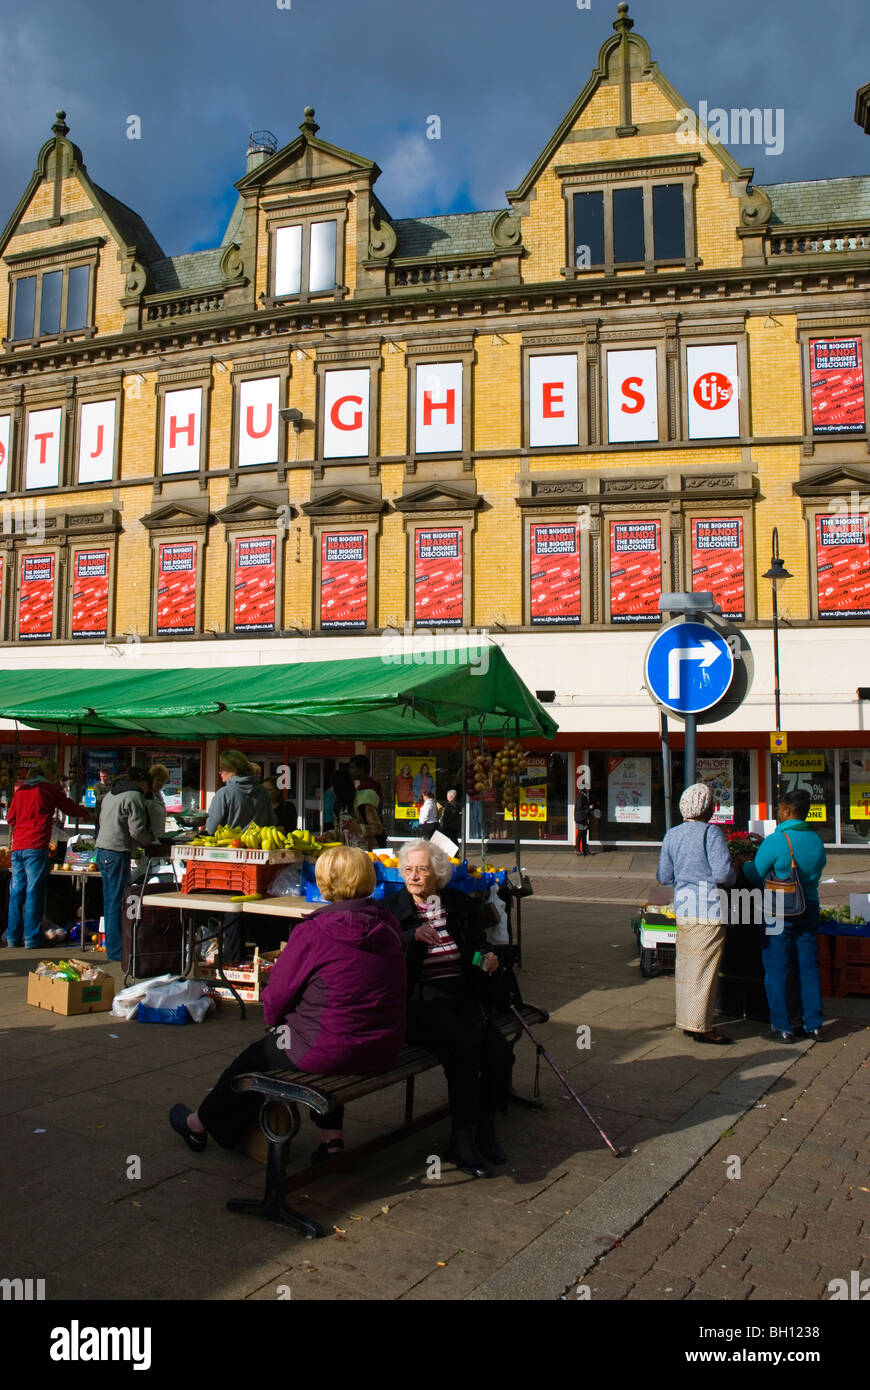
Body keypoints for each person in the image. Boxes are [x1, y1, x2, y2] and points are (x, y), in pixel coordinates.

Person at [168, 846, 406, 1162]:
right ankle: (331, 1138)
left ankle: (199, 1123)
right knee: (332, 1023)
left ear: (324, 884)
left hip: (331, 1050)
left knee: (256, 1058)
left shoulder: (314, 931)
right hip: (383, 1046)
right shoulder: (388, 924)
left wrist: (275, 1021)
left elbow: (277, 994)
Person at [391, 840, 514, 1178]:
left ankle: (485, 1129)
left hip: (462, 997)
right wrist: (412, 938)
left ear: (438, 873)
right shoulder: (394, 911)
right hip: (420, 1003)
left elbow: (473, 949)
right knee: (464, 1049)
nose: (414, 876)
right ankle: (461, 1140)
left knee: (500, 1054)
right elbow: (387, 963)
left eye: (422, 869)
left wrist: (486, 959)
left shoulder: (457, 905)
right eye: (409, 870)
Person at [742, 788, 827, 1042]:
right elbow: (817, 871)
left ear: (788, 811)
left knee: (777, 968)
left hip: (778, 910)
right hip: (809, 907)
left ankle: (782, 1026)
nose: (778, 813)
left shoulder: (777, 840)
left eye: (779, 808)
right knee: (808, 967)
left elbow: (754, 874)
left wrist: (745, 861)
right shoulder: (816, 840)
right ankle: (813, 1024)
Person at [657, 782, 736, 1045]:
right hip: (708, 910)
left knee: (687, 969)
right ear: (707, 807)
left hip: (683, 909)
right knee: (705, 971)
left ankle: (689, 1021)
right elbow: (723, 873)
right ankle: (701, 1027)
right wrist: (736, 872)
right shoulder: (711, 833)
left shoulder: (672, 835)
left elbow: (664, 876)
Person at [4, 757, 94, 949]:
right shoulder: (48, 789)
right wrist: (88, 812)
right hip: (36, 845)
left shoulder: (22, 790)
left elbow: (10, 817)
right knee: (34, 892)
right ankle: (32, 937)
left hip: (18, 846)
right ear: (51, 774)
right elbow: (70, 808)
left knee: (16, 893)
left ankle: (12, 937)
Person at [95, 764, 152, 962]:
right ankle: (117, 951)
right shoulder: (134, 796)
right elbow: (137, 829)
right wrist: (149, 840)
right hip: (117, 851)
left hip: (103, 850)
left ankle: (115, 948)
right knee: (116, 902)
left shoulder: (112, 794)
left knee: (110, 900)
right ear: (142, 782)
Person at [205, 750, 274, 834]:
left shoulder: (224, 794)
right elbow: (272, 822)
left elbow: (211, 829)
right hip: (258, 845)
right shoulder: (263, 791)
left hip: (230, 845)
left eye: (222, 768)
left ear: (232, 768)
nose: (219, 772)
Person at [349, 754, 388, 848]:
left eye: (353, 767)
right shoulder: (371, 786)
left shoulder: (367, 789)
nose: (350, 771)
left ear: (362, 769)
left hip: (373, 843)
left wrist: (356, 827)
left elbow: (376, 827)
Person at [146, 763, 170, 840]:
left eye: (163, 780)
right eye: (158, 780)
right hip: (148, 839)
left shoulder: (159, 795)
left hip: (159, 837)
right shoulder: (146, 795)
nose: (160, 783)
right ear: (151, 779)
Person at [574, 786, 592, 856]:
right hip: (580, 817)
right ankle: (577, 849)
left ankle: (584, 849)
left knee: (584, 833)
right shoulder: (581, 796)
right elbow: (580, 807)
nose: (588, 789)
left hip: (583, 817)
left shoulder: (583, 795)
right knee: (580, 833)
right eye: (587, 788)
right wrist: (588, 808)